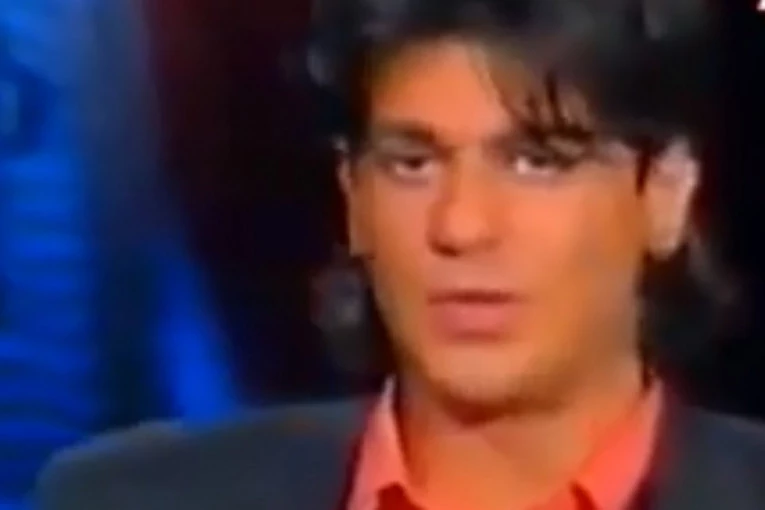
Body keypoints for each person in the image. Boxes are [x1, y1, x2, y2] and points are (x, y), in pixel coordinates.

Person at [34, 1, 765, 509]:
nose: (461, 225)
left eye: (537, 162)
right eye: (412, 163)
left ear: (664, 194)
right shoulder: (127, 501)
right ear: (353, 197)